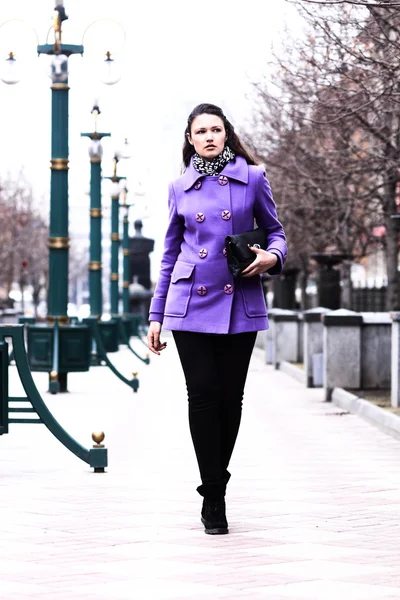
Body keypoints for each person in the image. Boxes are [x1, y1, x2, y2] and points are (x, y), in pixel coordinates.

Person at [147, 103, 287, 535]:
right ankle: (214, 495)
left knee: (231, 399)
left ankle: (215, 481)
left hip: (238, 297)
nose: (209, 136)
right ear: (190, 140)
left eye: (216, 129)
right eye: (200, 131)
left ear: (227, 135)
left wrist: (271, 257)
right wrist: (156, 316)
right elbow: (169, 253)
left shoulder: (253, 178)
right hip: (190, 303)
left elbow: (277, 232)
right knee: (203, 396)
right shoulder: (179, 187)